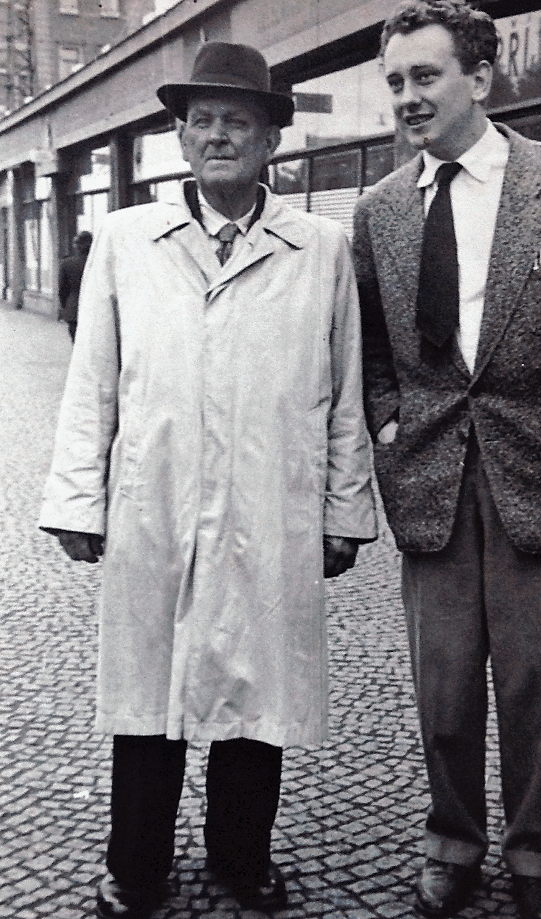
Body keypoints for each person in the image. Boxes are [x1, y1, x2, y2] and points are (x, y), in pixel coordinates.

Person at [40, 41, 376, 919]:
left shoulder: (319, 248)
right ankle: (135, 865)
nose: (217, 135)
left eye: (236, 120)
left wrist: (343, 509)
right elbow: (92, 380)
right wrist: (77, 498)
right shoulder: (126, 240)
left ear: (270, 139)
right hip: (154, 501)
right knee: (147, 694)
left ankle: (241, 857)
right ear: (181, 139)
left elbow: (344, 389)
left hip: (272, 505)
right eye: (201, 122)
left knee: (257, 694)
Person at [352, 2, 541, 918]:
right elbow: (372, 348)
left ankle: (537, 857)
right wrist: (388, 423)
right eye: (395, 81)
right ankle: (452, 842)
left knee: (534, 686)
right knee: (441, 689)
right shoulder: (378, 211)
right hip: (428, 478)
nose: (407, 97)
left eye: (424, 76)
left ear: (479, 78)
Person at [57, 230, 92, 342]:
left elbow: (62, 290)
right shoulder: (97, 264)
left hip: (73, 309)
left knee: (76, 342)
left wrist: (65, 307)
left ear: (76, 246)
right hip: (95, 309)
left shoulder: (67, 263)